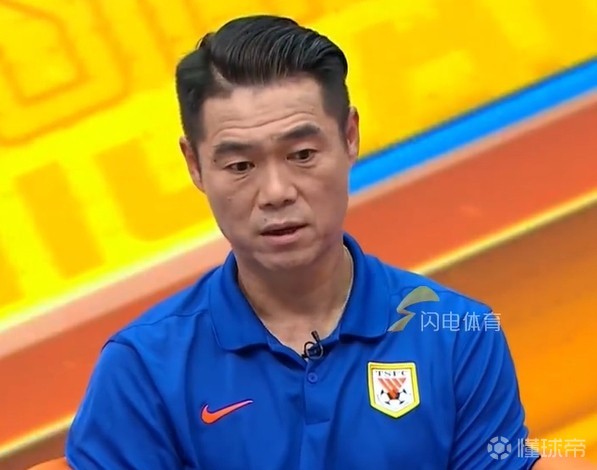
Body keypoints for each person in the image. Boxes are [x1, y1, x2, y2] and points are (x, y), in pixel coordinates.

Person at [64, 15, 593, 470]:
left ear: (349, 136)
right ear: (195, 165)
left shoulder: (458, 335)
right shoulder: (144, 366)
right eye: (241, 165)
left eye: (302, 155)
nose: (276, 192)